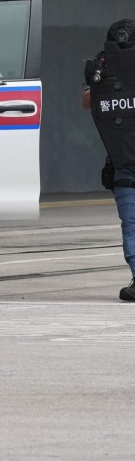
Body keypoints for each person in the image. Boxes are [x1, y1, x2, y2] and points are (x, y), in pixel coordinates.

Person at [82, 19, 135, 301]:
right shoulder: (107, 70)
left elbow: (87, 103)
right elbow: (89, 101)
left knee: (131, 224)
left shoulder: (104, 68)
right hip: (123, 161)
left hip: (123, 161)